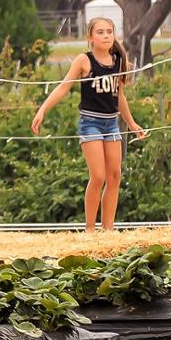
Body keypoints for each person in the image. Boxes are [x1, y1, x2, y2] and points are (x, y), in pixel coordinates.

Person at [30, 17, 147, 231]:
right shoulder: (84, 60)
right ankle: (90, 229)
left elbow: (120, 96)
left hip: (111, 124)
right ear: (90, 37)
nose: (106, 36)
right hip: (90, 123)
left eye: (109, 32)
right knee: (98, 176)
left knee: (114, 175)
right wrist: (42, 110)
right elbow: (63, 87)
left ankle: (108, 230)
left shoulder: (118, 62)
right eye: (100, 32)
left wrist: (131, 123)